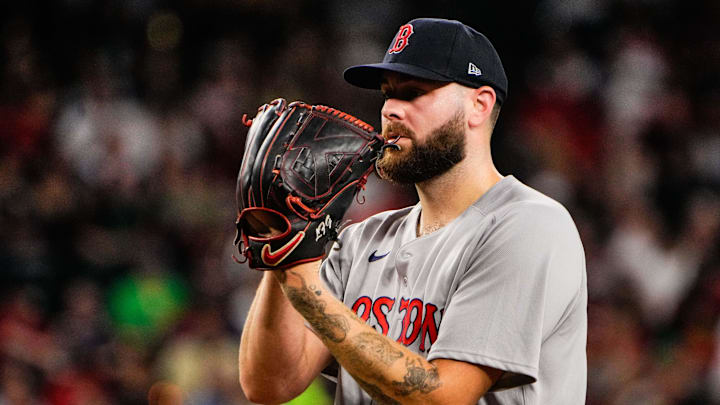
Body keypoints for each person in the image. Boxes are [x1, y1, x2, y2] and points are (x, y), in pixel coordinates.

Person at [238, 18, 587, 404]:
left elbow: (444, 397)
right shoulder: (360, 241)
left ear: (479, 104)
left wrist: (306, 284)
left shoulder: (529, 225)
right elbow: (269, 385)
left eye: (414, 92)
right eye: (388, 94)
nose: (391, 110)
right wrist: (284, 243)